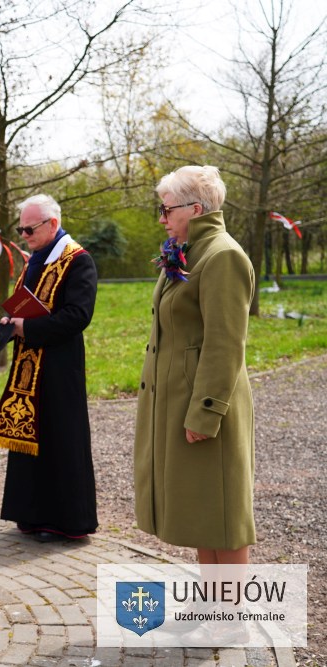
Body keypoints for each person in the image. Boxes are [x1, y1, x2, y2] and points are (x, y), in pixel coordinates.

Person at [134, 166, 255, 566]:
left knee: (223, 517)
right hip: (182, 401)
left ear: (195, 208)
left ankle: (231, 626)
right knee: (203, 513)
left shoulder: (222, 256)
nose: (161, 218)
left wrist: (205, 414)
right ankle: (213, 615)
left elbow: (225, 344)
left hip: (207, 405)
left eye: (166, 210)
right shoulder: (192, 251)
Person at [0, 194, 98, 542]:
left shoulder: (78, 260)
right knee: (28, 435)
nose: (24, 235)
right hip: (28, 364)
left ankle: (64, 521)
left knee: (59, 438)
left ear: (52, 223)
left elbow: (78, 316)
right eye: (20, 229)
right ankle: (30, 513)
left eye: (30, 228)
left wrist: (29, 328)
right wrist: (12, 322)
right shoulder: (35, 259)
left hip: (59, 366)